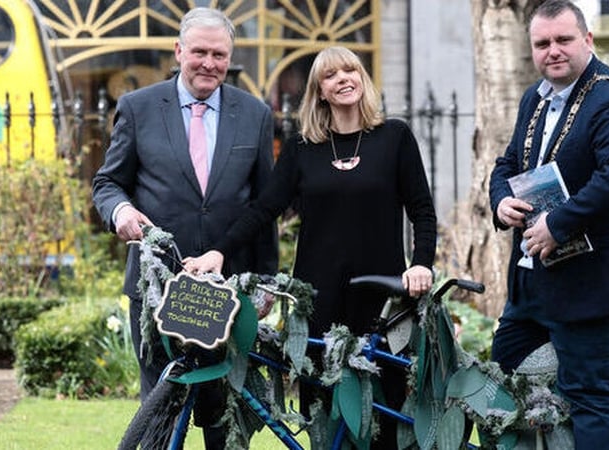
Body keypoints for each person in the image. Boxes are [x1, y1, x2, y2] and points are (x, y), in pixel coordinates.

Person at [184, 46, 437, 448]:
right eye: (331, 75)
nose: (344, 79)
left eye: (351, 70)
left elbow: (422, 210)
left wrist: (421, 263)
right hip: (317, 298)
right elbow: (263, 209)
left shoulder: (395, 137)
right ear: (320, 91)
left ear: (363, 79)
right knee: (322, 415)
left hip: (383, 296)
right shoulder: (303, 147)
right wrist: (219, 252)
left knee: (386, 413)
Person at [91, 7, 277, 449]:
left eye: (219, 54)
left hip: (226, 287)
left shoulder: (254, 113)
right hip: (155, 288)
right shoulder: (137, 108)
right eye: (199, 52)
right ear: (178, 51)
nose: (209, 63)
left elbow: (264, 206)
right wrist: (121, 213)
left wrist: (266, 278)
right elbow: (108, 183)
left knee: (222, 410)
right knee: (158, 406)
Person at [488, 0, 609, 448]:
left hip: (597, 287)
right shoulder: (536, 96)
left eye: (563, 40)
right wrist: (501, 201)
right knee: (502, 379)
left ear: (587, 40)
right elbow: (508, 162)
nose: (553, 51)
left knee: (593, 404)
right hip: (535, 285)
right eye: (542, 43)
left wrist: (558, 223)